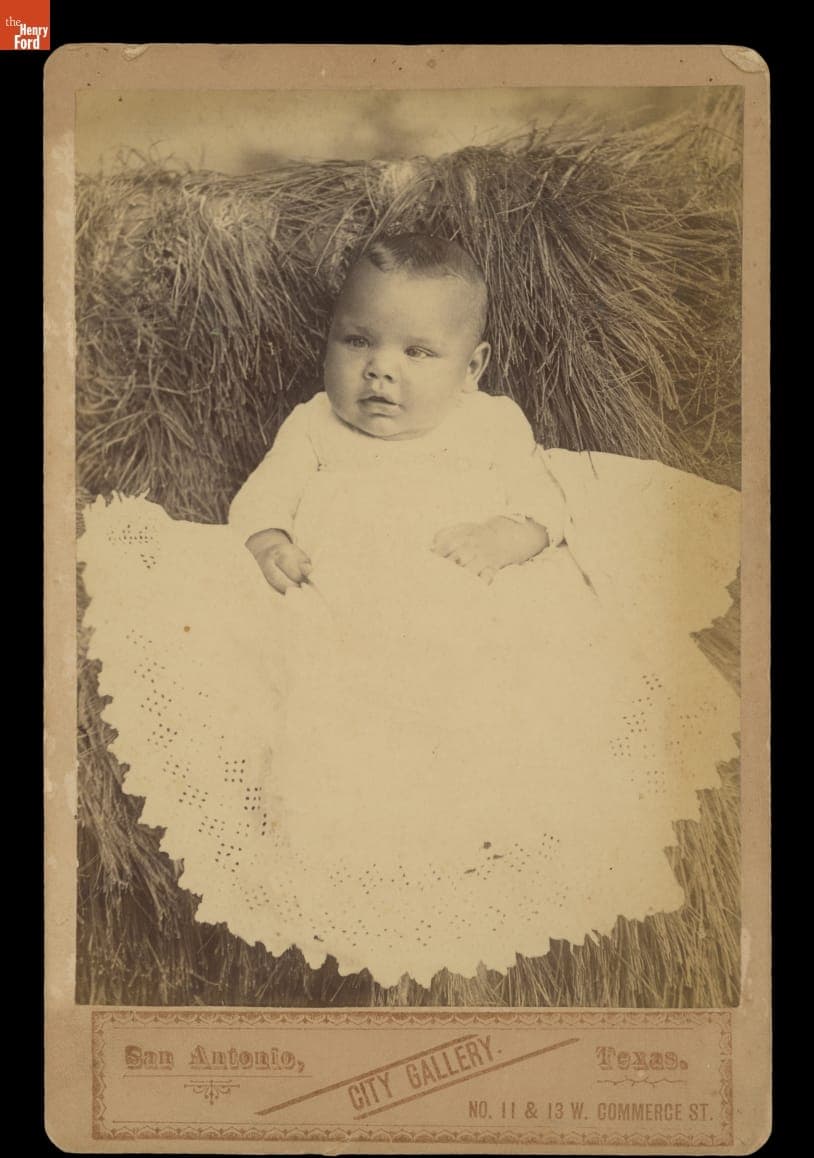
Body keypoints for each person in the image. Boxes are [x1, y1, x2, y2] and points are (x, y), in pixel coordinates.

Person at [80, 234, 740, 989]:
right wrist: (270, 545)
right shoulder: (313, 428)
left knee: (509, 700)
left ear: (473, 367)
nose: (379, 370)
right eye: (356, 340)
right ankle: (365, 857)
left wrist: (507, 537)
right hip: (348, 611)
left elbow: (544, 504)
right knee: (340, 726)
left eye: (419, 353)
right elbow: (258, 502)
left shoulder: (491, 424)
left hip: (463, 602)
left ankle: (485, 845)